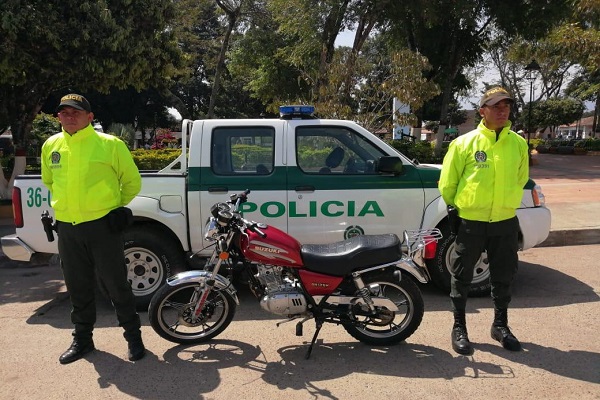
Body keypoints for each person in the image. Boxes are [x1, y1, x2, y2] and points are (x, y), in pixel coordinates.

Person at [41, 94, 145, 364]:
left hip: (103, 227)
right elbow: (49, 181)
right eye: (64, 112)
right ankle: (83, 340)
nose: (69, 117)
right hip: (68, 228)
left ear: (89, 117)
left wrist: (113, 207)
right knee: (77, 287)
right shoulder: (51, 145)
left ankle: (134, 338)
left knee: (116, 285)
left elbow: (132, 182)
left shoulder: (110, 145)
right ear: (58, 116)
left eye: (75, 112)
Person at [438, 87, 529, 355]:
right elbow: (448, 184)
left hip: (505, 221)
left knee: (503, 275)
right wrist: (464, 208)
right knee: (461, 275)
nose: (502, 111)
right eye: (495, 106)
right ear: (482, 111)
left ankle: (500, 325)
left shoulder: (518, 144)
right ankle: (459, 327)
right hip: (472, 222)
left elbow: (521, 179)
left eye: (506, 106)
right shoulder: (464, 144)